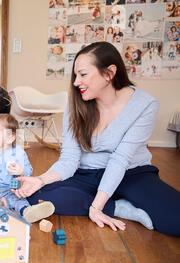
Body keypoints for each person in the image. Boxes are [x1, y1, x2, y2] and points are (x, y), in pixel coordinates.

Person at [13, 42, 180, 236]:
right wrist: (40, 180)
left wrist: (96, 208)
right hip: (87, 174)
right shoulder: (75, 105)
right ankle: (117, 207)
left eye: (83, 74)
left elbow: (120, 159)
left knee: (175, 221)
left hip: (132, 173)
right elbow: (69, 159)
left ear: (109, 73)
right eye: (76, 75)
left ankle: (98, 201)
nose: (76, 82)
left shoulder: (145, 104)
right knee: (33, 196)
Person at [0, 114, 55, 223]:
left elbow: (28, 173)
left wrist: (21, 171)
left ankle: (27, 212)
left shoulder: (18, 152)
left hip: (8, 187)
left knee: (18, 198)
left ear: (10, 137)